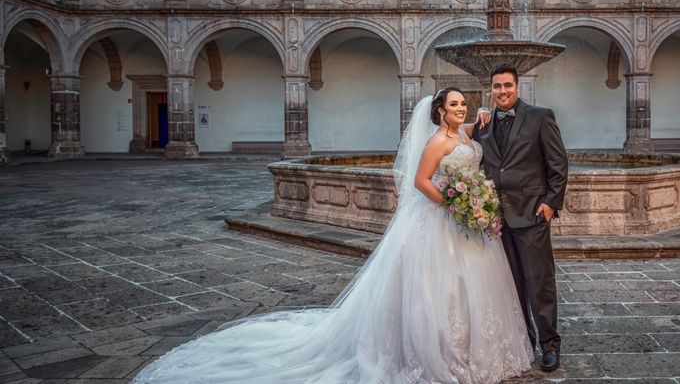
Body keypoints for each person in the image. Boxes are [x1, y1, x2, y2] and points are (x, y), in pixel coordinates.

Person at [133, 88, 533, 384]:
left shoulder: (464, 134)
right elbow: (419, 181)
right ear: (439, 111)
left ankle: (473, 346)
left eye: (463, 103)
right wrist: (453, 203)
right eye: (453, 105)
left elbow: (472, 137)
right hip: (444, 219)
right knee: (437, 288)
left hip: (468, 223)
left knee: (472, 288)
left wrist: (478, 124)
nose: (460, 109)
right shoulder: (437, 141)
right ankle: (436, 351)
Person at [472, 64, 568, 373]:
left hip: (531, 213)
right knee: (510, 285)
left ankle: (549, 344)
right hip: (496, 217)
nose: (502, 91)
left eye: (508, 86)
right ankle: (523, 341)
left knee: (539, 282)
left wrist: (551, 202)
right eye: (497, 86)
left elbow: (558, 162)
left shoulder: (540, 116)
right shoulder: (483, 124)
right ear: (491, 89)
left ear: (518, 87)